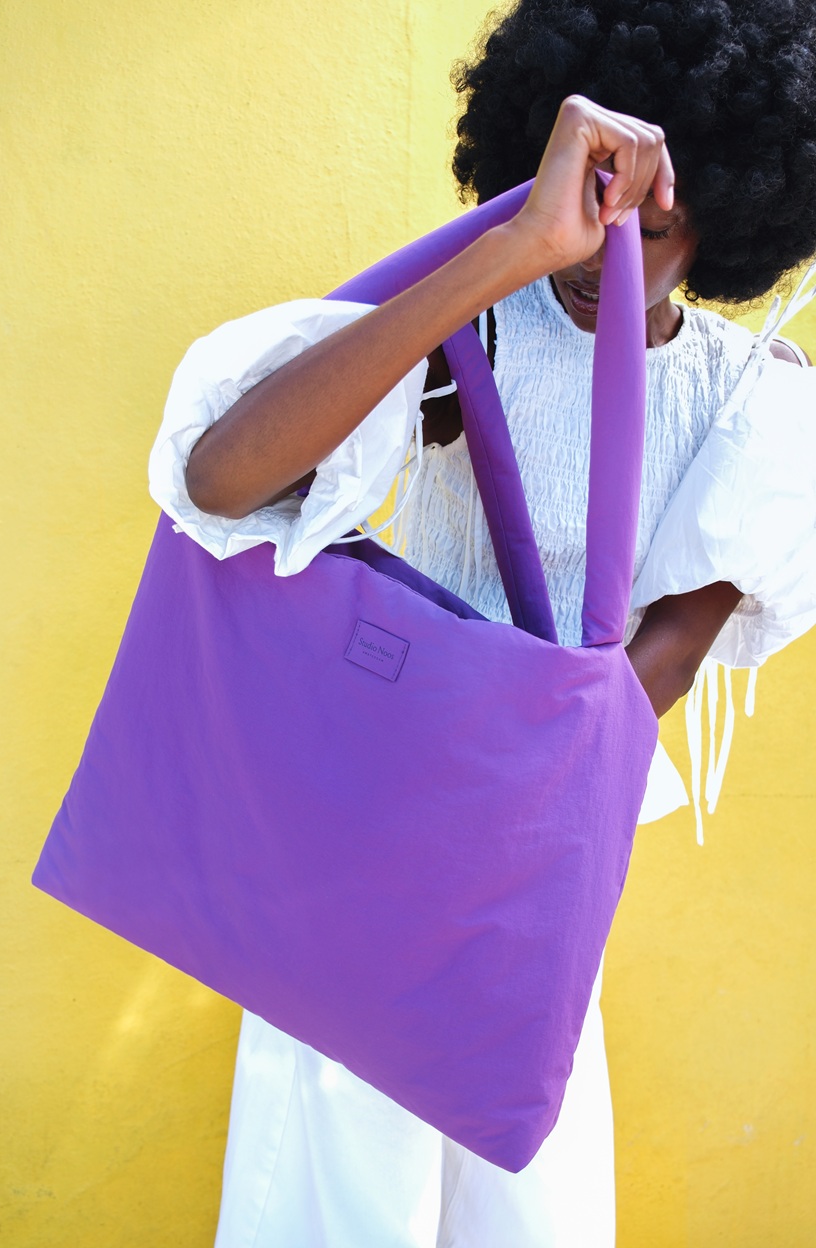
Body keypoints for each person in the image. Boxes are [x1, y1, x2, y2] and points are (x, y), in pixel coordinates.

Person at [148, 1, 816, 1244]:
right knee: (337, 1197)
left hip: (529, 865)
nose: (609, 252)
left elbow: (637, 687)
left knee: (525, 1204)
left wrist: (499, 852)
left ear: (733, 211)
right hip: (364, 835)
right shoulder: (481, 334)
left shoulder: (750, 403)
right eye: (593, 209)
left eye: (654, 224)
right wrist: (510, 248)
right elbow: (222, 479)